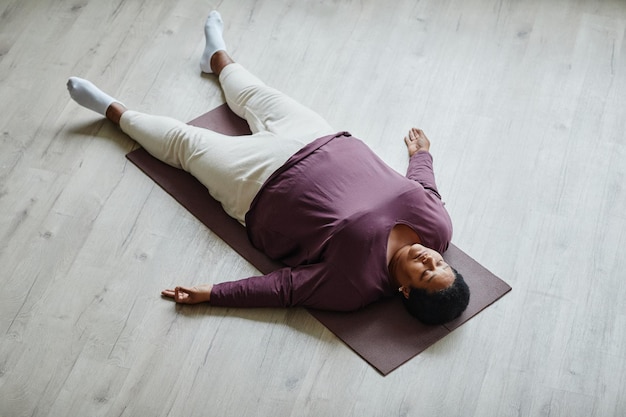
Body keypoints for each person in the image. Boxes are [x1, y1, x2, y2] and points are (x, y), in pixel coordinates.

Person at [67, 11, 470, 324]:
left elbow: (285, 289)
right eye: (439, 264)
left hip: (259, 184)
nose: (428, 258)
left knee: (183, 144)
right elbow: (426, 191)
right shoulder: (439, 230)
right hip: (320, 139)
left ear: (404, 291)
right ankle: (217, 56)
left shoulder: (354, 287)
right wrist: (422, 155)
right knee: (254, 93)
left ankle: (110, 110)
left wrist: (213, 294)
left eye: (423, 273)